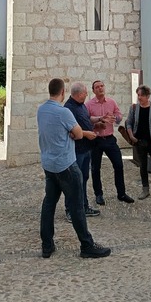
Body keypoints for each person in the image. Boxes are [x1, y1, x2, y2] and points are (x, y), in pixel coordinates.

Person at [37, 78, 111, 259]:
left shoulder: (41, 110)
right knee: (77, 206)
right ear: (63, 92)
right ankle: (87, 245)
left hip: (49, 165)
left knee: (49, 204)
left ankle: (47, 245)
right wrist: (75, 132)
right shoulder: (64, 113)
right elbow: (78, 135)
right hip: (66, 165)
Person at [85, 80, 134, 205]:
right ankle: (98, 194)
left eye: (102, 86)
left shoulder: (111, 102)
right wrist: (97, 124)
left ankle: (121, 193)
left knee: (118, 165)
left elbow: (119, 115)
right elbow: (85, 121)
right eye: (97, 87)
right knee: (95, 168)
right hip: (95, 140)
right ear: (93, 90)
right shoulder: (88, 105)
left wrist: (115, 118)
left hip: (110, 139)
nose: (100, 88)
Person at [63, 82, 100, 222]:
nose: (86, 95)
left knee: (83, 179)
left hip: (86, 149)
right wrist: (86, 134)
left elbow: (86, 119)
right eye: (85, 93)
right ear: (79, 94)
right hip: (76, 151)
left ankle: (83, 206)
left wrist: (98, 122)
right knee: (73, 181)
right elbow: (69, 132)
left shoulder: (81, 105)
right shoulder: (68, 109)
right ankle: (70, 210)